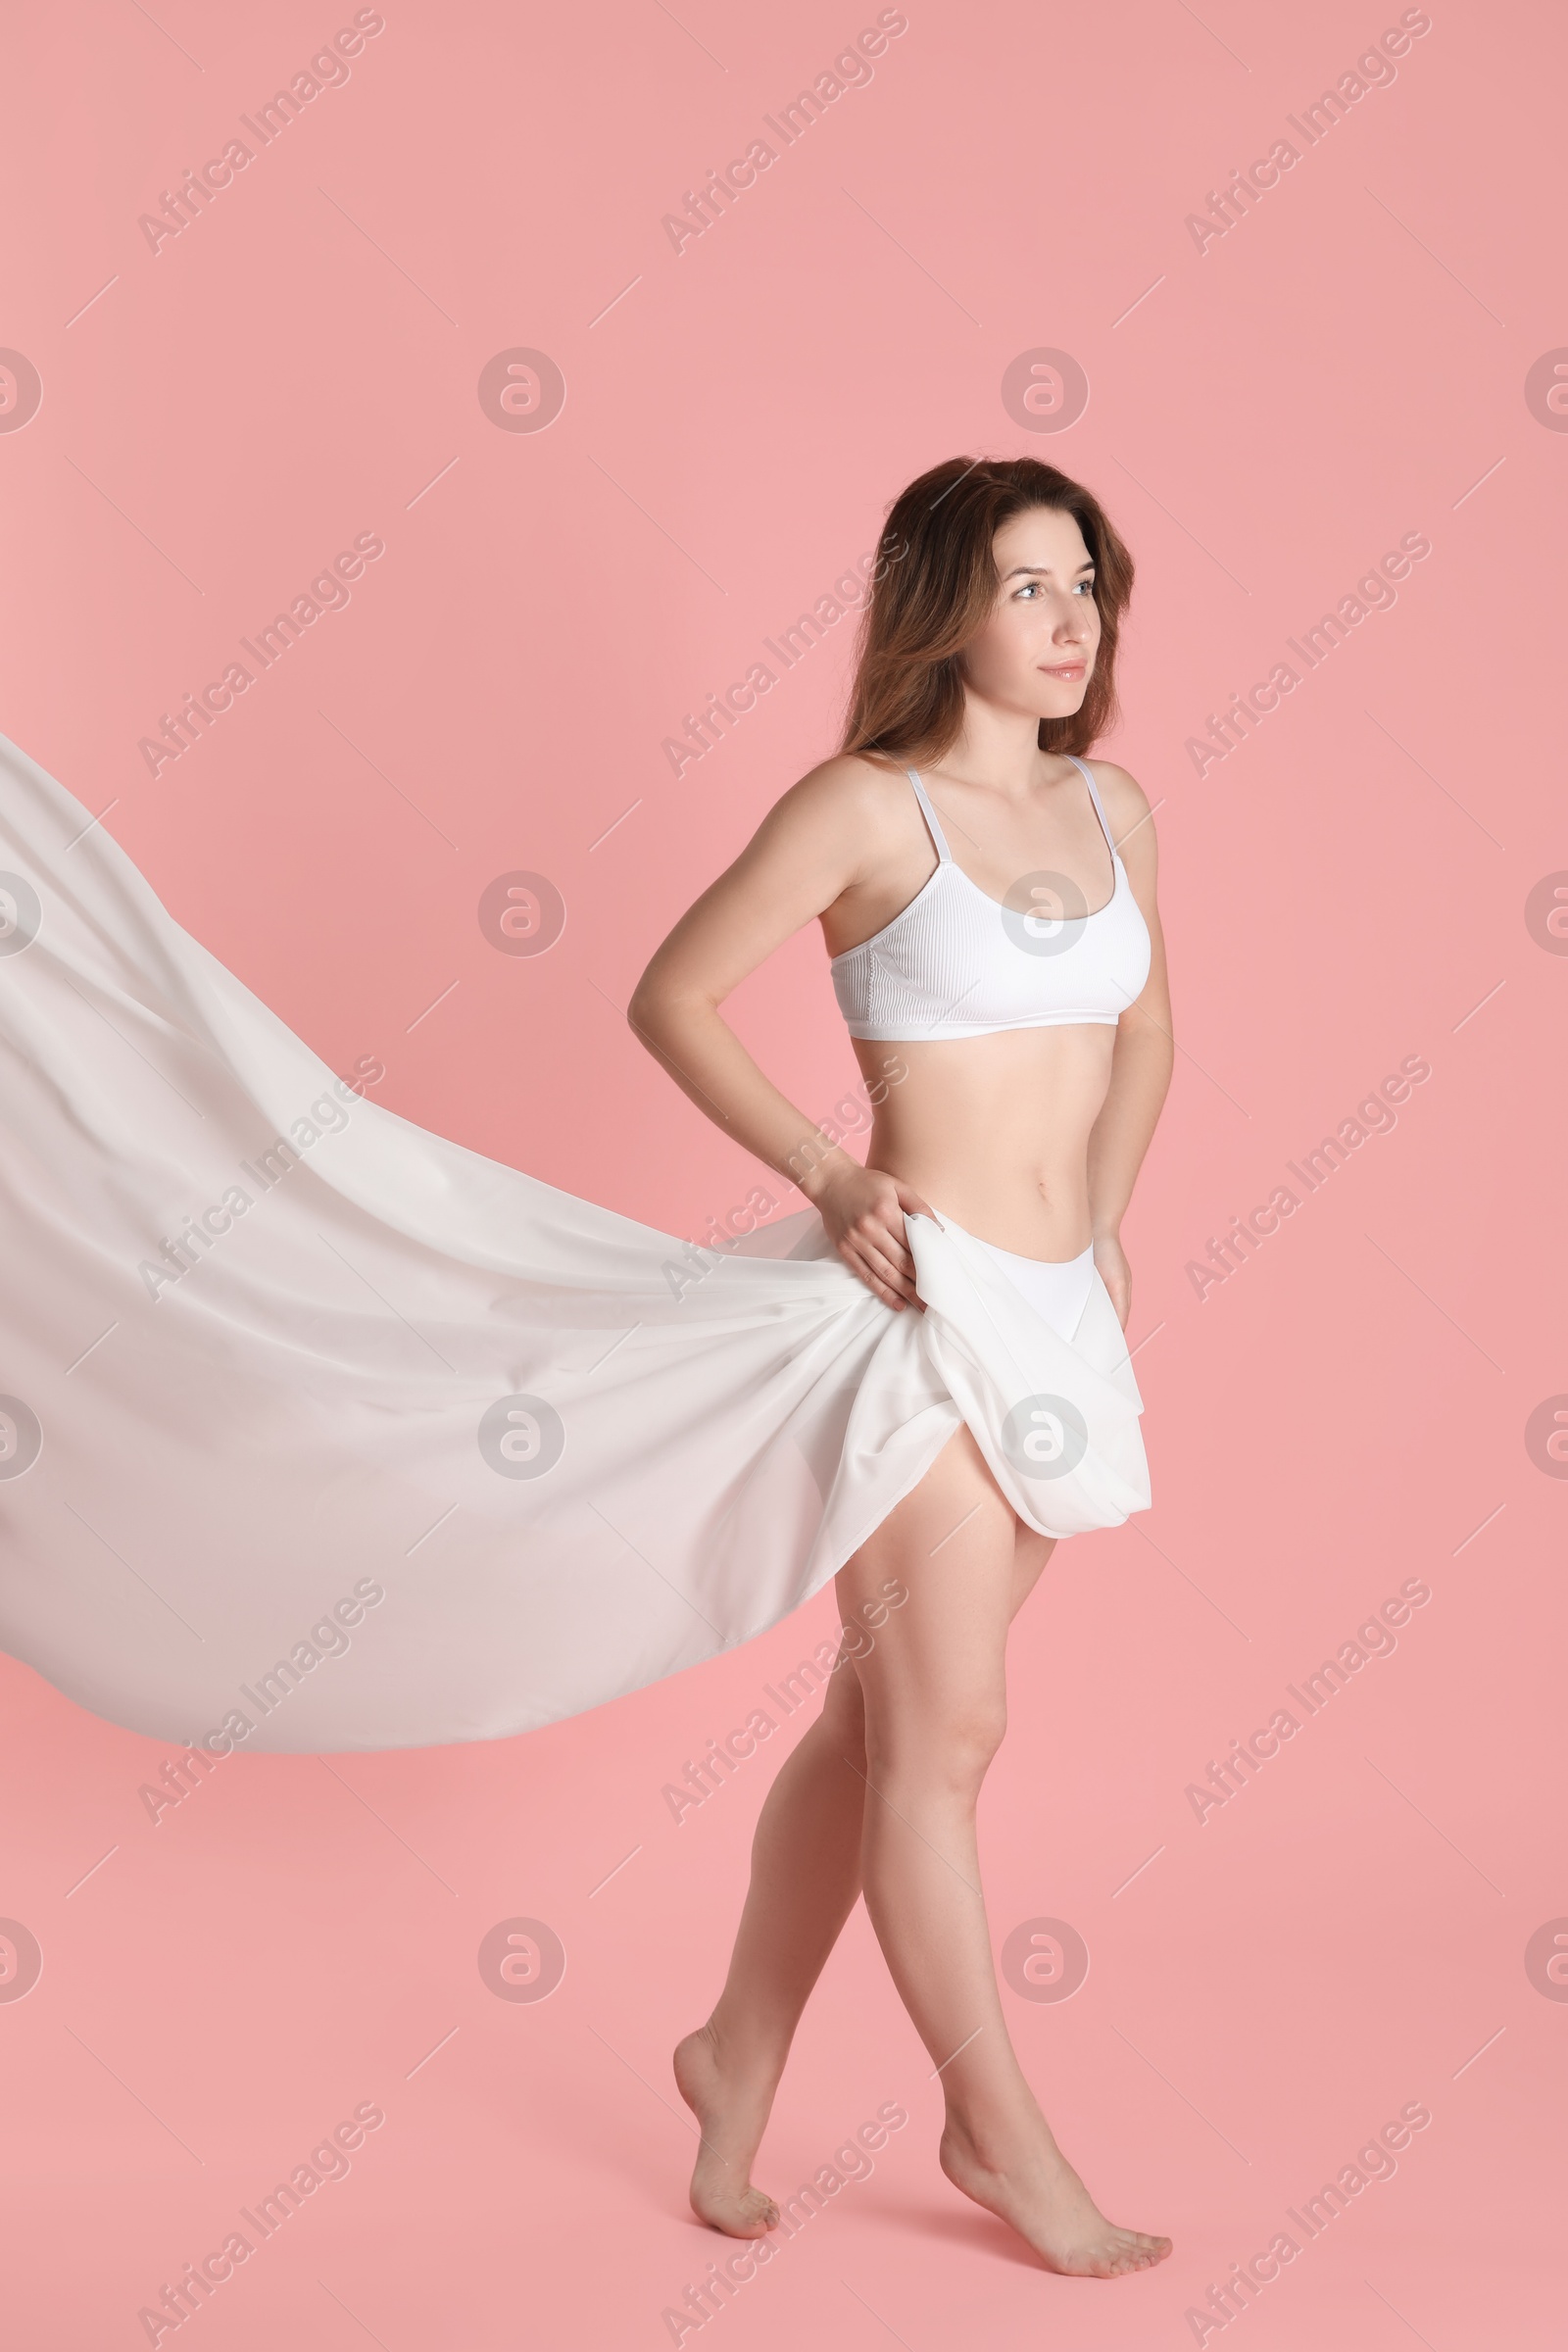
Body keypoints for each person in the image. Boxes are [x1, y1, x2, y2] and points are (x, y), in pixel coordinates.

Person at [629, 455, 1175, 2279]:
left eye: (1083, 582)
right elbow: (674, 992)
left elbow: (1150, 1034)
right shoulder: (865, 809)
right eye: (1027, 587)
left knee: (876, 1724)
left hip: (1056, 1317)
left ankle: (735, 2053)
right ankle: (994, 2132)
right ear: (944, 605)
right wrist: (830, 1175)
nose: (1068, 619)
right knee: (950, 1736)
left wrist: (1099, 1235)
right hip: (917, 1313)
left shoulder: (1116, 811)